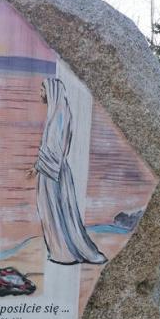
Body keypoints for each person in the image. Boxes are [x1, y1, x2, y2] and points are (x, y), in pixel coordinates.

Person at [28, 78, 107, 265]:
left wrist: (37, 167)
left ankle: (62, 252)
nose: (40, 94)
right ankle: (62, 249)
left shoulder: (58, 116)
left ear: (51, 92)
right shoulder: (60, 112)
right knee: (62, 210)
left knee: (54, 211)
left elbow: (53, 149)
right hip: (57, 170)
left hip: (51, 173)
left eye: (42, 90)